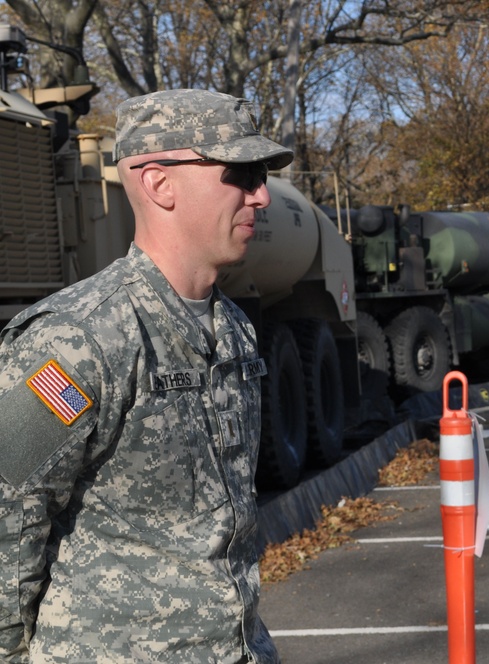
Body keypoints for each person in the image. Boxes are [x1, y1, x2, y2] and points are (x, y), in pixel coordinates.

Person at [0, 89, 292, 662]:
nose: (261, 195)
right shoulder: (79, 339)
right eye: (241, 172)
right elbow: (8, 515)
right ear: (159, 183)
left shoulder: (234, 329)